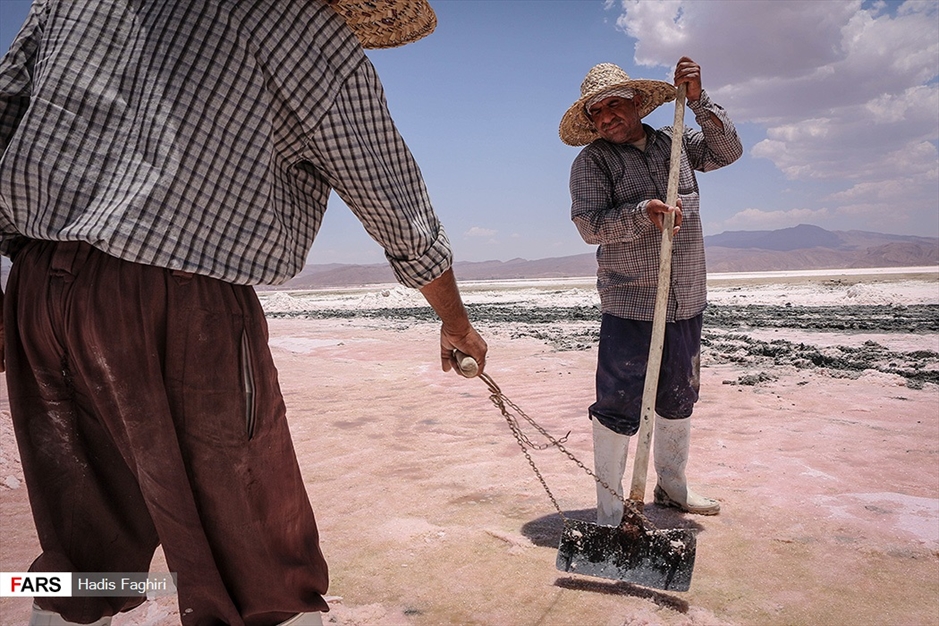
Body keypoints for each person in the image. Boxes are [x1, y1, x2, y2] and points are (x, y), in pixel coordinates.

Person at [0, 1, 487, 625]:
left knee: (82, 545)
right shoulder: (306, 33)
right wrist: (455, 321)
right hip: (181, 301)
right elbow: (394, 200)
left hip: (39, 288)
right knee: (255, 561)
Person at [559, 58, 742, 526]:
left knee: (679, 395)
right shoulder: (592, 162)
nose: (605, 118)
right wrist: (644, 214)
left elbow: (728, 151)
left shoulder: (674, 142)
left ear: (638, 103)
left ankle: (672, 486)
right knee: (618, 404)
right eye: (595, 112)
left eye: (613, 105)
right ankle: (609, 509)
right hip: (630, 303)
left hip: (686, 296)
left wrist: (698, 101)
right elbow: (589, 226)